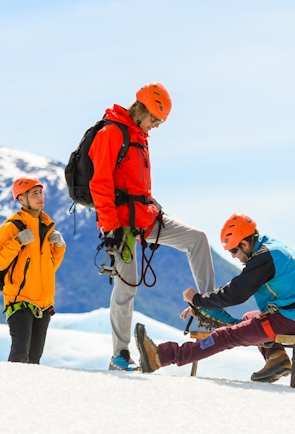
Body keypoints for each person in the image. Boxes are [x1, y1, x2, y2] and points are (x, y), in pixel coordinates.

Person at [88, 82, 217, 371]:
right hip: (122, 227)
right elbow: (100, 184)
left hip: (147, 218)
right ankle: (119, 355)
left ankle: (209, 308)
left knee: (197, 239)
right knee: (126, 288)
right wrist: (111, 229)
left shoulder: (139, 136)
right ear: (142, 109)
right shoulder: (111, 133)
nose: (156, 126)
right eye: (155, 120)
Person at [135, 213, 295, 383]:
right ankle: (277, 359)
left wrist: (199, 300)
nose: (233, 256)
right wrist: (203, 306)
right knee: (249, 318)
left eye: (233, 250)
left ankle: (160, 356)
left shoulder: (264, 257)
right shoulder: (272, 249)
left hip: (291, 319)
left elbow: (235, 293)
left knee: (226, 336)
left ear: (245, 244)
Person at [0, 176, 66, 363]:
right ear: (21, 199)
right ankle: (12, 390)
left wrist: (59, 248)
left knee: (34, 359)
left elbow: (49, 268)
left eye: (40, 192)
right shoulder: (11, 227)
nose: (40, 197)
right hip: (20, 301)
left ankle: (27, 393)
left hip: (44, 305)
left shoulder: (46, 227)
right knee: (20, 355)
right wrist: (17, 242)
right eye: (34, 194)